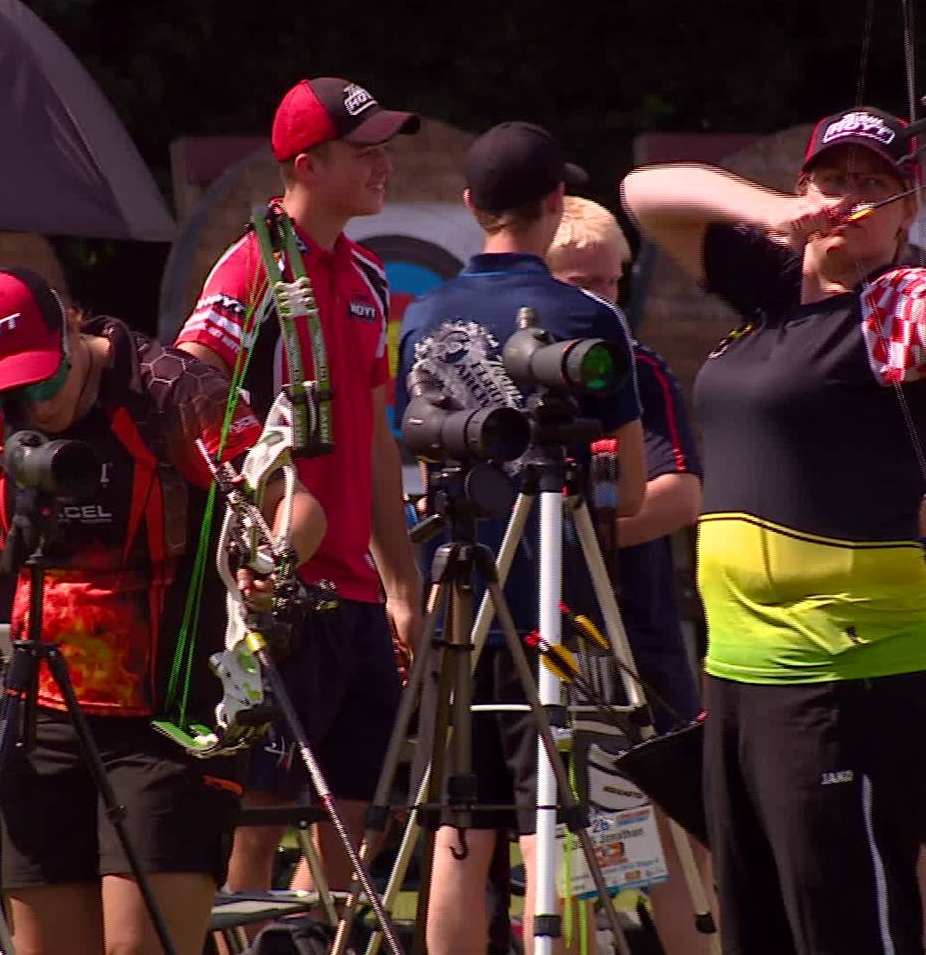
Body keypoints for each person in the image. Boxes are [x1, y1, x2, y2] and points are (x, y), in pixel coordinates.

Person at [0, 266, 326, 955]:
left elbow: (293, 501)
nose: (31, 407)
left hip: (170, 720)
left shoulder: (174, 391)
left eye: (41, 381)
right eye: (9, 393)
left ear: (70, 327)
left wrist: (273, 560)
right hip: (39, 717)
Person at [621, 105, 926, 954]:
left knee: (846, 923)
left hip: (845, 676)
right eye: (834, 179)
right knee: (757, 926)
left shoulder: (896, 306)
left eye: (876, 186)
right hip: (741, 678)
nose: (851, 199)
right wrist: (770, 216)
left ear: (910, 208)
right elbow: (645, 191)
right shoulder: (771, 286)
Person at [396, 123, 644, 955]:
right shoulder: (589, 316)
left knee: (459, 828)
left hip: (457, 595)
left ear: (470, 205)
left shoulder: (422, 314)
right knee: (558, 823)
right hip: (559, 607)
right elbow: (630, 490)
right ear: (555, 206)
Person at [175, 75, 423, 897]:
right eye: (366, 150)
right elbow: (185, 395)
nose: (384, 163)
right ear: (308, 165)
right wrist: (256, 543)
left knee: (352, 832)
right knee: (259, 822)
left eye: (386, 147)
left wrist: (402, 583)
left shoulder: (371, 277)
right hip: (281, 596)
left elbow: (378, 443)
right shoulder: (250, 264)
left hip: (355, 594)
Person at [547, 195, 713, 954]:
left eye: (611, 284)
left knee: (674, 825)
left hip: (636, 635)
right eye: (577, 282)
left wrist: (587, 533)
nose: (596, 301)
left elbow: (683, 492)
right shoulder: (508, 371)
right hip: (539, 634)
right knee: (549, 834)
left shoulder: (637, 368)